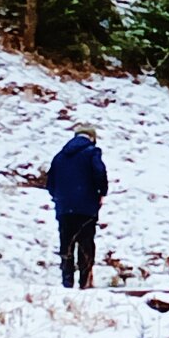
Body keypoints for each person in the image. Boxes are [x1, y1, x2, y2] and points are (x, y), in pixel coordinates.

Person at [46, 123, 108, 288]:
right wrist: (102, 192)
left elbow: (50, 183)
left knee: (66, 244)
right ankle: (84, 282)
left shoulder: (59, 157)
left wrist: (61, 199)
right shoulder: (92, 152)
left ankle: (67, 282)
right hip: (86, 207)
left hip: (65, 209)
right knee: (86, 244)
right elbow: (99, 172)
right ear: (92, 138)